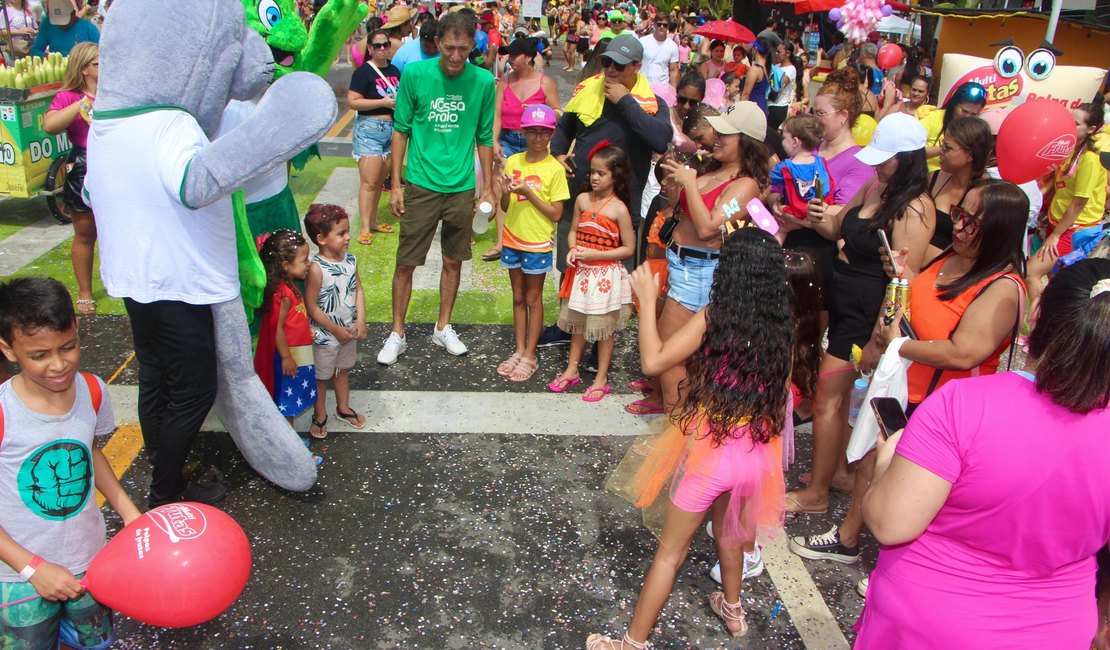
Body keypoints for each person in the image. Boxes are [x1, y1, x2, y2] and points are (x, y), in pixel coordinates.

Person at [856, 257, 1110, 648]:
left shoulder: (963, 404)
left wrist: (890, 454)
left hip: (931, 625)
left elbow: (890, 523)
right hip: (1057, 628)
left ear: (1037, 317)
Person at [790, 180, 1028, 576]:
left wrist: (897, 345)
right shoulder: (953, 254)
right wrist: (899, 284)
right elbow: (915, 291)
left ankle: (902, 572)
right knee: (870, 463)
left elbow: (964, 352)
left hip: (943, 406)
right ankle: (848, 539)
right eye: (961, 214)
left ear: (1000, 229)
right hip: (903, 390)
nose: (960, 226)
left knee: (913, 493)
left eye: (972, 220)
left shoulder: (1002, 288)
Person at [589, 228, 792, 649]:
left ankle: (632, 643)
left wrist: (647, 302)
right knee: (732, 536)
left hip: (712, 454)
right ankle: (734, 613)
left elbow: (653, 360)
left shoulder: (714, 316)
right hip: (756, 456)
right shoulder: (781, 331)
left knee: (670, 553)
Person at [785, 112, 935, 515]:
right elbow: (838, 228)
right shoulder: (875, 184)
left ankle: (817, 493)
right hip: (843, 305)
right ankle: (833, 473)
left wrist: (877, 338)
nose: (876, 164)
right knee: (832, 400)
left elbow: (905, 282)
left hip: (866, 316)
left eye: (885, 158)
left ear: (907, 159)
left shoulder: (916, 208)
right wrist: (818, 218)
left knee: (827, 400)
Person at [0, 277, 142, 650]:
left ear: (77, 330)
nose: (59, 365)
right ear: (9, 350)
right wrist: (33, 568)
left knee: (93, 642)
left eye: (68, 347)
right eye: (39, 355)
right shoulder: (3, 412)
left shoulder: (93, 389)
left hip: (89, 561)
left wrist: (129, 512)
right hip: (18, 577)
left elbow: (89, 451)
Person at [540, 32, 672, 348]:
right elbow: (564, 128)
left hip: (622, 205)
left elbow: (660, 139)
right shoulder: (587, 90)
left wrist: (625, 101)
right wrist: (559, 154)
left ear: (638, 66)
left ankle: (601, 340)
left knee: (612, 275)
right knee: (570, 263)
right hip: (580, 198)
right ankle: (566, 326)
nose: (611, 70)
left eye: (620, 66)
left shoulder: (652, 102)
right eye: (607, 62)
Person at [379, 12, 496, 366]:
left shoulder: (484, 81)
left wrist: (487, 189)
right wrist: (396, 183)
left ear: (473, 45)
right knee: (406, 262)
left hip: (460, 186)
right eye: (449, 48)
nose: (456, 56)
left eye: (463, 48)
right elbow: (400, 130)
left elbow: (485, 137)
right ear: (436, 43)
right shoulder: (416, 74)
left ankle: (442, 326)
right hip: (419, 182)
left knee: (453, 259)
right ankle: (397, 332)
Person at [646, 102, 771, 415]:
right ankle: (686, 430)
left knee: (668, 358)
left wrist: (689, 183)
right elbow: (683, 213)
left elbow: (707, 228)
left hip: (700, 272)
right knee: (682, 360)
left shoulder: (747, 186)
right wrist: (674, 185)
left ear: (746, 141)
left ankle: (678, 435)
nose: (716, 136)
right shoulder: (714, 169)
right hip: (682, 267)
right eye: (717, 129)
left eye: (726, 133)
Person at [779, 67, 876, 325]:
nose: (815, 118)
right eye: (814, 112)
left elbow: (841, 214)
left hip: (818, 256)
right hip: (791, 244)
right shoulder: (813, 148)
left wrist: (795, 215)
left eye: (821, 113)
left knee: (803, 334)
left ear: (843, 116)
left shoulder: (859, 162)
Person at [547, 144, 635, 403]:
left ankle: (601, 378)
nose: (594, 178)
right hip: (582, 274)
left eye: (601, 173)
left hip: (605, 277)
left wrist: (594, 255)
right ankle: (572, 369)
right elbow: (573, 229)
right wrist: (573, 248)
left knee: (603, 331)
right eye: (593, 172)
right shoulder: (583, 200)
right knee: (578, 325)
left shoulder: (619, 208)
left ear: (616, 176)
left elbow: (628, 248)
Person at [495, 105, 569, 383]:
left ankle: (530, 354)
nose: (538, 137)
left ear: (551, 133)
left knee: (532, 298)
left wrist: (528, 192)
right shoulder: (513, 162)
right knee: (517, 297)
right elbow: (506, 204)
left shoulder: (554, 169)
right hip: (512, 237)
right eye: (532, 131)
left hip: (538, 242)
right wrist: (504, 193)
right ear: (523, 132)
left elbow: (556, 214)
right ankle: (518, 349)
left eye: (543, 132)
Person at [485, 36, 561, 262]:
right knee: (503, 188)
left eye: (514, 55)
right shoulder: (505, 82)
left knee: (534, 188)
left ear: (528, 57)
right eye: (508, 54)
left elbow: (558, 112)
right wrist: (495, 141)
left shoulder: (545, 82)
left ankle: (535, 234)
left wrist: (540, 109)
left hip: (534, 141)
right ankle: (501, 241)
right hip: (509, 138)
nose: (509, 59)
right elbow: (496, 115)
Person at [252, 230, 321, 458]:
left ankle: (290, 440)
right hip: (291, 358)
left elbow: (292, 321)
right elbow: (277, 329)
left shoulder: (289, 286)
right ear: (284, 265)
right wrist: (286, 357)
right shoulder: (281, 293)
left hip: (298, 354)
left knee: (290, 402)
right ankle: (292, 453)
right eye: (304, 260)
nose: (308, 265)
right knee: (288, 404)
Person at [43, 42, 98, 316]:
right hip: (84, 163)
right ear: (85, 68)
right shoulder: (68, 96)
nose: (105, 67)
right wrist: (80, 104)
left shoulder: (117, 91)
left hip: (116, 162)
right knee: (85, 232)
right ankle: (85, 291)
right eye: (99, 63)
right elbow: (50, 125)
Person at [304, 204, 367, 439]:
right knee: (321, 376)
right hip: (324, 336)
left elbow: (358, 289)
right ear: (321, 238)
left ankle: (343, 407)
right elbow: (312, 306)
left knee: (342, 371)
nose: (348, 237)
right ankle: (319, 414)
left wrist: (361, 319)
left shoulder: (351, 260)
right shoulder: (316, 269)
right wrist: (334, 329)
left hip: (348, 331)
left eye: (348, 231)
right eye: (341, 233)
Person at [348, 28, 400, 246]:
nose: (382, 49)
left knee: (379, 181)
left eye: (385, 45)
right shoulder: (363, 72)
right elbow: (353, 101)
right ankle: (365, 227)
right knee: (368, 182)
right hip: (369, 129)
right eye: (377, 46)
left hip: (391, 129)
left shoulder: (396, 70)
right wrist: (382, 103)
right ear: (369, 49)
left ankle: (375, 221)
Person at [1038, 95, 1107, 258]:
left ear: (1091, 129)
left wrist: (1056, 235)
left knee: (1033, 273)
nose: (1068, 126)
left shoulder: (1089, 159)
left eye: (1075, 124)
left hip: (1075, 227)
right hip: (1057, 219)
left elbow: (1079, 203)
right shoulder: (1067, 147)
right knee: (1052, 274)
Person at [921, 116, 991, 261]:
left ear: (970, 155)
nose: (940, 151)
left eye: (947, 147)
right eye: (942, 145)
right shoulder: (932, 178)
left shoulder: (986, 194)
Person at [770, 114, 832, 222]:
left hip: (794, 212)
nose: (782, 141)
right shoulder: (821, 162)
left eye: (784, 138)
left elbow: (775, 192)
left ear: (795, 142)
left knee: (779, 225)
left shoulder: (783, 168)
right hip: (819, 211)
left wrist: (775, 202)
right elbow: (828, 187)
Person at [920, 81, 987, 172]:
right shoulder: (934, 118)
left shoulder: (977, 130)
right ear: (954, 106)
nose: (967, 117)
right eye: (964, 111)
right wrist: (946, 149)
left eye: (974, 114)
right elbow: (911, 152)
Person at [29, 0, 97, 56]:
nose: (61, 25)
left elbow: (99, 52)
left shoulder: (88, 28)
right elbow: (35, 49)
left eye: (65, 22)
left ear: (73, 14)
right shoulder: (47, 23)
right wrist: (47, 57)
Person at [638, 15, 678, 87]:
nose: (662, 27)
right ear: (654, 25)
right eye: (659, 24)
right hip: (642, 86)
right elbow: (635, 64)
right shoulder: (642, 41)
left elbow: (673, 70)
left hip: (662, 88)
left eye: (665, 25)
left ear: (668, 27)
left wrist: (673, 91)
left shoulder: (673, 46)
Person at [767, 40, 797, 131]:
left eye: (779, 52)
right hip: (769, 103)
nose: (776, 54)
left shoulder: (791, 69)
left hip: (779, 107)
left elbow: (781, 83)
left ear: (788, 53)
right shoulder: (777, 66)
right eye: (776, 51)